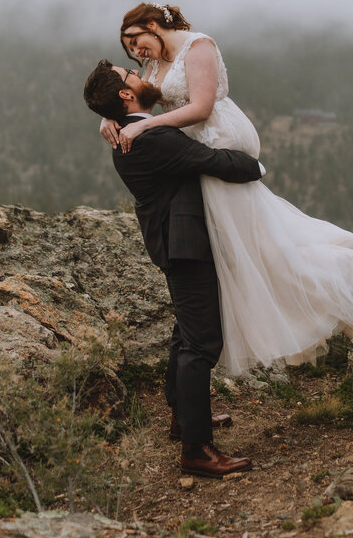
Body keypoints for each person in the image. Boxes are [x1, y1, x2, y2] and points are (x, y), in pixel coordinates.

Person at [100, 3, 353, 376]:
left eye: (136, 41)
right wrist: (108, 116)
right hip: (191, 153)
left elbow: (200, 107)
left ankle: (334, 285)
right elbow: (136, 96)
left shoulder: (198, 47)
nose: (135, 53)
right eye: (128, 49)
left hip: (216, 139)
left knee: (258, 244)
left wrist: (145, 127)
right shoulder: (153, 61)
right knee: (241, 246)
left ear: (152, 25)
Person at [84, 59, 263, 478]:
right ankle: (196, 451)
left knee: (186, 332)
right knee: (201, 343)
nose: (142, 75)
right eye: (132, 74)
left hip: (176, 243)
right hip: (186, 247)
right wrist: (256, 167)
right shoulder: (151, 139)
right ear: (127, 96)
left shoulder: (134, 131)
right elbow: (215, 161)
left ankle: (184, 420)